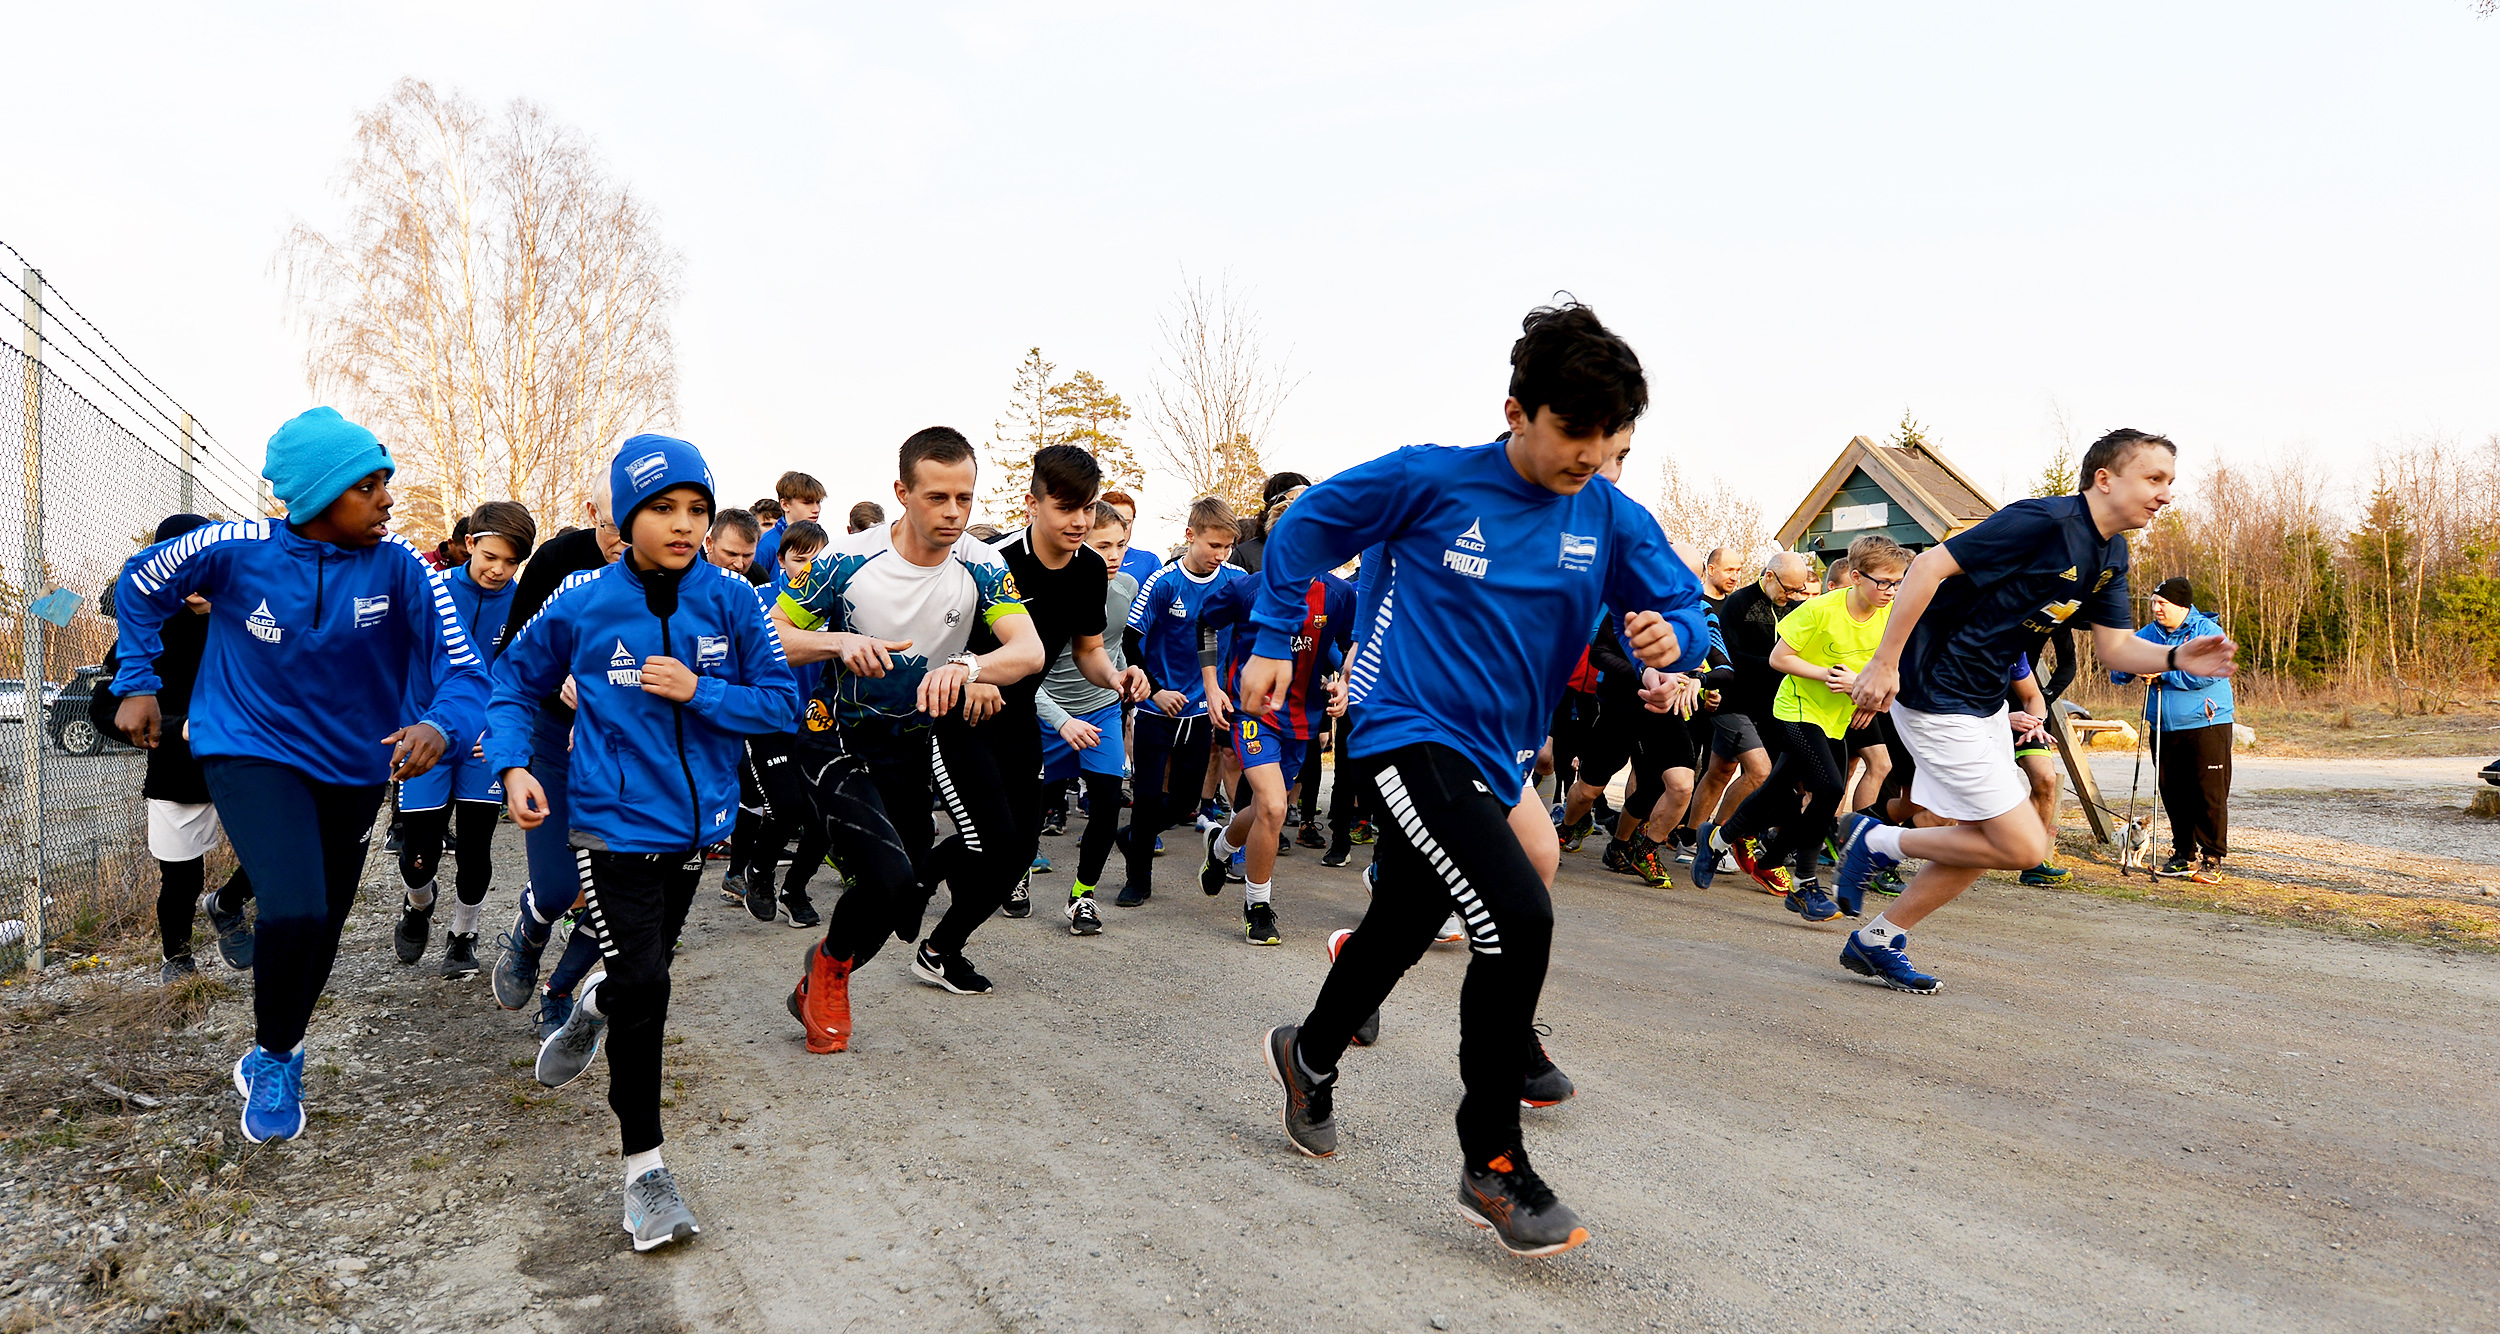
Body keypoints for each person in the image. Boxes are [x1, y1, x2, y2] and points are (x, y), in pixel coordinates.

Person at [1247, 302, 1706, 1257]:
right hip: (1403, 734)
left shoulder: (1612, 518)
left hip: (1497, 758)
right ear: (1516, 412)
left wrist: (1679, 640)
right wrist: (1269, 635)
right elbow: (1304, 527)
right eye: (1573, 432)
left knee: (1405, 923)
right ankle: (1492, 1161)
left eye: (1610, 437)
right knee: (1518, 914)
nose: (1590, 453)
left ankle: (1309, 1051)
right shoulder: (1431, 479)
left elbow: (1681, 605)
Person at [112, 407, 487, 1144]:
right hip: (246, 745)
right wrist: (137, 678)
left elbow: (464, 669)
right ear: (316, 498)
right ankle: (280, 1059)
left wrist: (441, 726)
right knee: (295, 908)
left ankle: (273, 1047)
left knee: (324, 924)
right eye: (368, 485)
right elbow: (137, 586)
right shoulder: (231, 548)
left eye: (386, 482)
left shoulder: (406, 567)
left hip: (352, 764)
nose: (386, 499)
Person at [491, 433, 799, 1251]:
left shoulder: (733, 599)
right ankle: (645, 1177)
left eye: (697, 508)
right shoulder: (584, 600)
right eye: (663, 508)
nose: (684, 523)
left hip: (697, 831)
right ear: (626, 516)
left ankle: (596, 1002)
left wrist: (703, 692)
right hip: (608, 825)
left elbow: (780, 705)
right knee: (652, 983)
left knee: (637, 976)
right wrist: (515, 764)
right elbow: (511, 681)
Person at [1835, 429, 2238, 993]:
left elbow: (2117, 648)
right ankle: (1872, 841)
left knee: (1986, 840)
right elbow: (1927, 568)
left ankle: (1877, 940)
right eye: (2153, 478)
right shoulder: (2042, 523)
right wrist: (1884, 662)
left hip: (1981, 699)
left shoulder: (2111, 554)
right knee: (2023, 845)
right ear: (2105, 478)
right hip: (1934, 689)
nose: (2165, 494)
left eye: (2169, 482)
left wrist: (2177, 654)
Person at [770, 427, 1044, 1050]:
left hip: (917, 745)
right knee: (889, 881)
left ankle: (826, 968)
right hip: (838, 737)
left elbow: (1027, 650)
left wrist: (969, 668)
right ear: (902, 493)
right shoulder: (847, 559)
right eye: (937, 498)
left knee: (917, 886)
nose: (953, 514)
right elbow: (775, 635)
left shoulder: (981, 562)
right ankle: (829, 982)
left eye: (965, 498)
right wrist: (840, 641)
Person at [946, 447, 1147, 930]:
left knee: (1016, 848)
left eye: (1087, 507)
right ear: (1032, 505)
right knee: (992, 841)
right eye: (1065, 507)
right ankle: (920, 887)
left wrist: (1116, 677)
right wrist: (974, 676)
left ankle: (939, 946)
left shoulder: (1090, 570)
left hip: (1021, 719)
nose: (1079, 521)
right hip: (965, 716)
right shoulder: (996, 560)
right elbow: (952, 639)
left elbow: (1088, 651)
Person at [1697, 534, 1908, 921]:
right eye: (1885, 582)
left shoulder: (1891, 616)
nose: (1892, 591)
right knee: (1828, 787)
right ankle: (1804, 884)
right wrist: (1833, 676)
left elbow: (1892, 669)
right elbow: (1779, 659)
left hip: (1838, 716)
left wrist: (1873, 699)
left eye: (1898, 583)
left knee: (1777, 788)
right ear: (1857, 576)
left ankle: (1718, 838)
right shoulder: (1820, 610)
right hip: (1796, 708)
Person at [486, 466, 626, 1032]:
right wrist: (558, 681)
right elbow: (513, 660)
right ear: (594, 515)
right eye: (618, 523)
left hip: (627, 752)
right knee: (561, 887)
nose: (631, 536)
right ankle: (530, 927)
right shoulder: (558, 563)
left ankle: (560, 989)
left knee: (617, 897)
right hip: (554, 738)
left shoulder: (682, 575)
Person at [92, 514, 258, 982]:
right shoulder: (147, 628)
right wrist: (175, 727)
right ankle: (178, 957)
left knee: (274, 852)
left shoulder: (252, 617)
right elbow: (105, 706)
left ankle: (227, 905)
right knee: (180, 877)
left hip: (248, 763)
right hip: (177, 767)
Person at [1195, 489, 1354, 944]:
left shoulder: (1339, 594)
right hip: (1253, 714)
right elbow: (1205, 623)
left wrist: (1344, 680)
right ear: (1275, 544)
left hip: (1302, 719)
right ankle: (1258, 906)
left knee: (1264, 808)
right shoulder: (1247, 587)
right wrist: (1212, 687)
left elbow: (1355, 640)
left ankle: (1222, 846)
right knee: (1275, 806)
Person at [394, 500, 537, 978]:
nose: (499, 570)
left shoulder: (524, 606)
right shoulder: (431, 589)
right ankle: (419, 905)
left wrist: (504, 733)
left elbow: (524, 678)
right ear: (469, 544)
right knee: (418, 857)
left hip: (485, 742)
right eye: (490, 557)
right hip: (427, 736)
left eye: (511, 562)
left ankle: (463, 934)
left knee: (476, 849)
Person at [1114, 497, 1243, 907]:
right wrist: (1153, 689)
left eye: (1227, 547)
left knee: (1185, 803)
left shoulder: (1236, 581)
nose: (1220, 555)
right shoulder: (1164, 582)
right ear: (1191, 536)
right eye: (1213, 546)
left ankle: (1134, 836)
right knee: (1148, 795)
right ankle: (1138, 879)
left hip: (1204, 709)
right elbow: (1131, 639)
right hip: (1158, 708)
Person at [1038, 501, 1145, 931]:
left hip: (1099, 710)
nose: (1115, 555)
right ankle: (1018, 877)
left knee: (1105, 804)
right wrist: (1058, 718)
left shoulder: (1127, 587)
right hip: (1044, 712)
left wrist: (1123, 676)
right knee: (1036, 808)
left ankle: (1083, 897)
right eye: (1104, 546)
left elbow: (1110, 645)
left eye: (1121, 544)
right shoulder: (1047, 591)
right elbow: (1023, 673)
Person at [728, 520, 834, 925]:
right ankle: (759, 873)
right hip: (771, 722)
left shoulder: (835, 601)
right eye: (799, 558)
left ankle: (796, 889)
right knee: (786, 807)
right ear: (782, 559)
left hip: (820, 723)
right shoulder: (759, 599)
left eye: (817, 559)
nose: (807, 566)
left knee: (826, 814)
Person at [1678, 553, 1808, 878]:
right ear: (1769, 576)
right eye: (1787, 589)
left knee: (1721, 771)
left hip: (1771, 708)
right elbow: (1730, 656)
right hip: (1733, 705)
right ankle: (1716, 840)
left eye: (1797, 590)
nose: (1790, 596)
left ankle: (1689, 837)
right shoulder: (1739, 603)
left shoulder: (1794, 608)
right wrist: (1777, 663)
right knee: (1759, 773)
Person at [2114, 576, 2233, 884]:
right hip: (2164, 726)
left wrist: (2165, 674)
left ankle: (2212, 858)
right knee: (2173, 792)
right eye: (2153, 603)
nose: (2156, 609)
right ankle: (2183, 854)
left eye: (2162, 604)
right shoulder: (2150, 633)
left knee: (2208, 793)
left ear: (2181, 606)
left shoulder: (2206, 632)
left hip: (2207, 722)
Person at [1228, 472, 1312, 575]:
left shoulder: (1316, 553)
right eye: (1294, 500)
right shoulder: (1245, 555)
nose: (1304, 508)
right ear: (1277, 505)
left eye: (1310, 500)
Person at [749, 471, 825, 583]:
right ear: (785, 505)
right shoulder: (766, 544)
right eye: (807, 503)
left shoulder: (822, 541)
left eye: (818, 502)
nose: (816, 509)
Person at [1102, 490, 1164, 589]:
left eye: (1127, 522)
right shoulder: (1080, 557)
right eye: (1115, 520)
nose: (1122, 527)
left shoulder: (1149, 562)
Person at [705, 507, 761, 577]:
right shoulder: (689, 575)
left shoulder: (759, 577)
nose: (739, 565)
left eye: (747, 556)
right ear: (709, 544)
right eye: (731, 554)